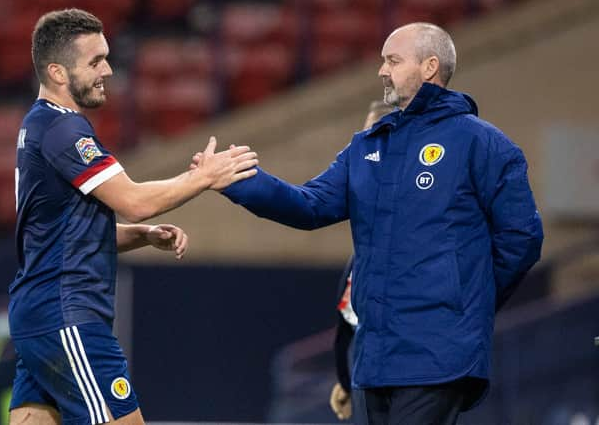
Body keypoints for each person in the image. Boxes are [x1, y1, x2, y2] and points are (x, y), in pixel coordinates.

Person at [212, 22, 544, 424]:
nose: (381, 70)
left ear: (429, 67)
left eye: (392, 60)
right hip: (376, 357)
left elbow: (522, 238)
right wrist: (242, 181)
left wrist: (467, 300)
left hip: (439, 353)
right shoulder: (367, 147)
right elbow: (310, 205)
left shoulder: (483, 144)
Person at [9, 8, 258, 425]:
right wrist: (205, 176)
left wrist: (141, 236)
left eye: (106, 56)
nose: (107, 69)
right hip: (68, 317)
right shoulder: (64, 130)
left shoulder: (37, 125)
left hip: (40, 317)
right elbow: (135, 200)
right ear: (56, 72)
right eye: (94, 61)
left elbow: (63, 234)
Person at [329, 100, 393, 422]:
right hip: (368, 373)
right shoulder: (363, 255)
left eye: (371, 132)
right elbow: (348, 322)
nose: (362, 140)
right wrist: (344, 380)